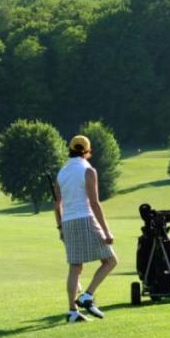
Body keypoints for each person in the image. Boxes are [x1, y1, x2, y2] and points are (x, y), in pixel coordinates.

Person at [53, 135, 118, 322]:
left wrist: (60, 229)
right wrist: (106, 231)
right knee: (111, 260)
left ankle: (73, 312)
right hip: (85, 218)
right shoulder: (88, 170)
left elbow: (57, 205)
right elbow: (94, 203)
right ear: (87, 151)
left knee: (75, 267)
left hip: (68, 222)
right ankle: (87, 295)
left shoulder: (62, 173)